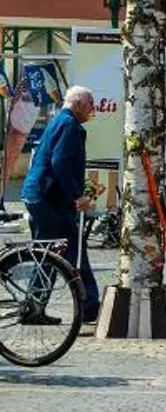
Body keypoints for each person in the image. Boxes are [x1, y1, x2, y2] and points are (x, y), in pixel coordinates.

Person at [17, 84, 98, 326]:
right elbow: (60, 162)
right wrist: (77, 196)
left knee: (51, 253)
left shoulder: (60, 121)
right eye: (90, 104)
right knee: (70, 249)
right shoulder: (69, 125)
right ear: (78, 104)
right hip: (48, 198)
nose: (93, 109)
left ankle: (35, 307)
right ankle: (89, 307)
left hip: (41, 195)